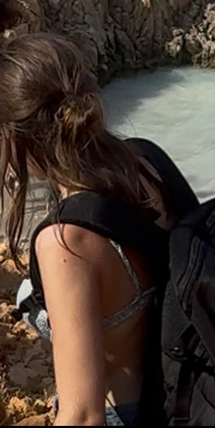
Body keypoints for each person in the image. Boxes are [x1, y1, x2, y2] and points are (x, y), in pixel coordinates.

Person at [0, 31, 172, 428]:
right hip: (177, 397)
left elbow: (82, 415)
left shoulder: (66, 241)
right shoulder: (148, 163)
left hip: (125, 412)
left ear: (16, 135)